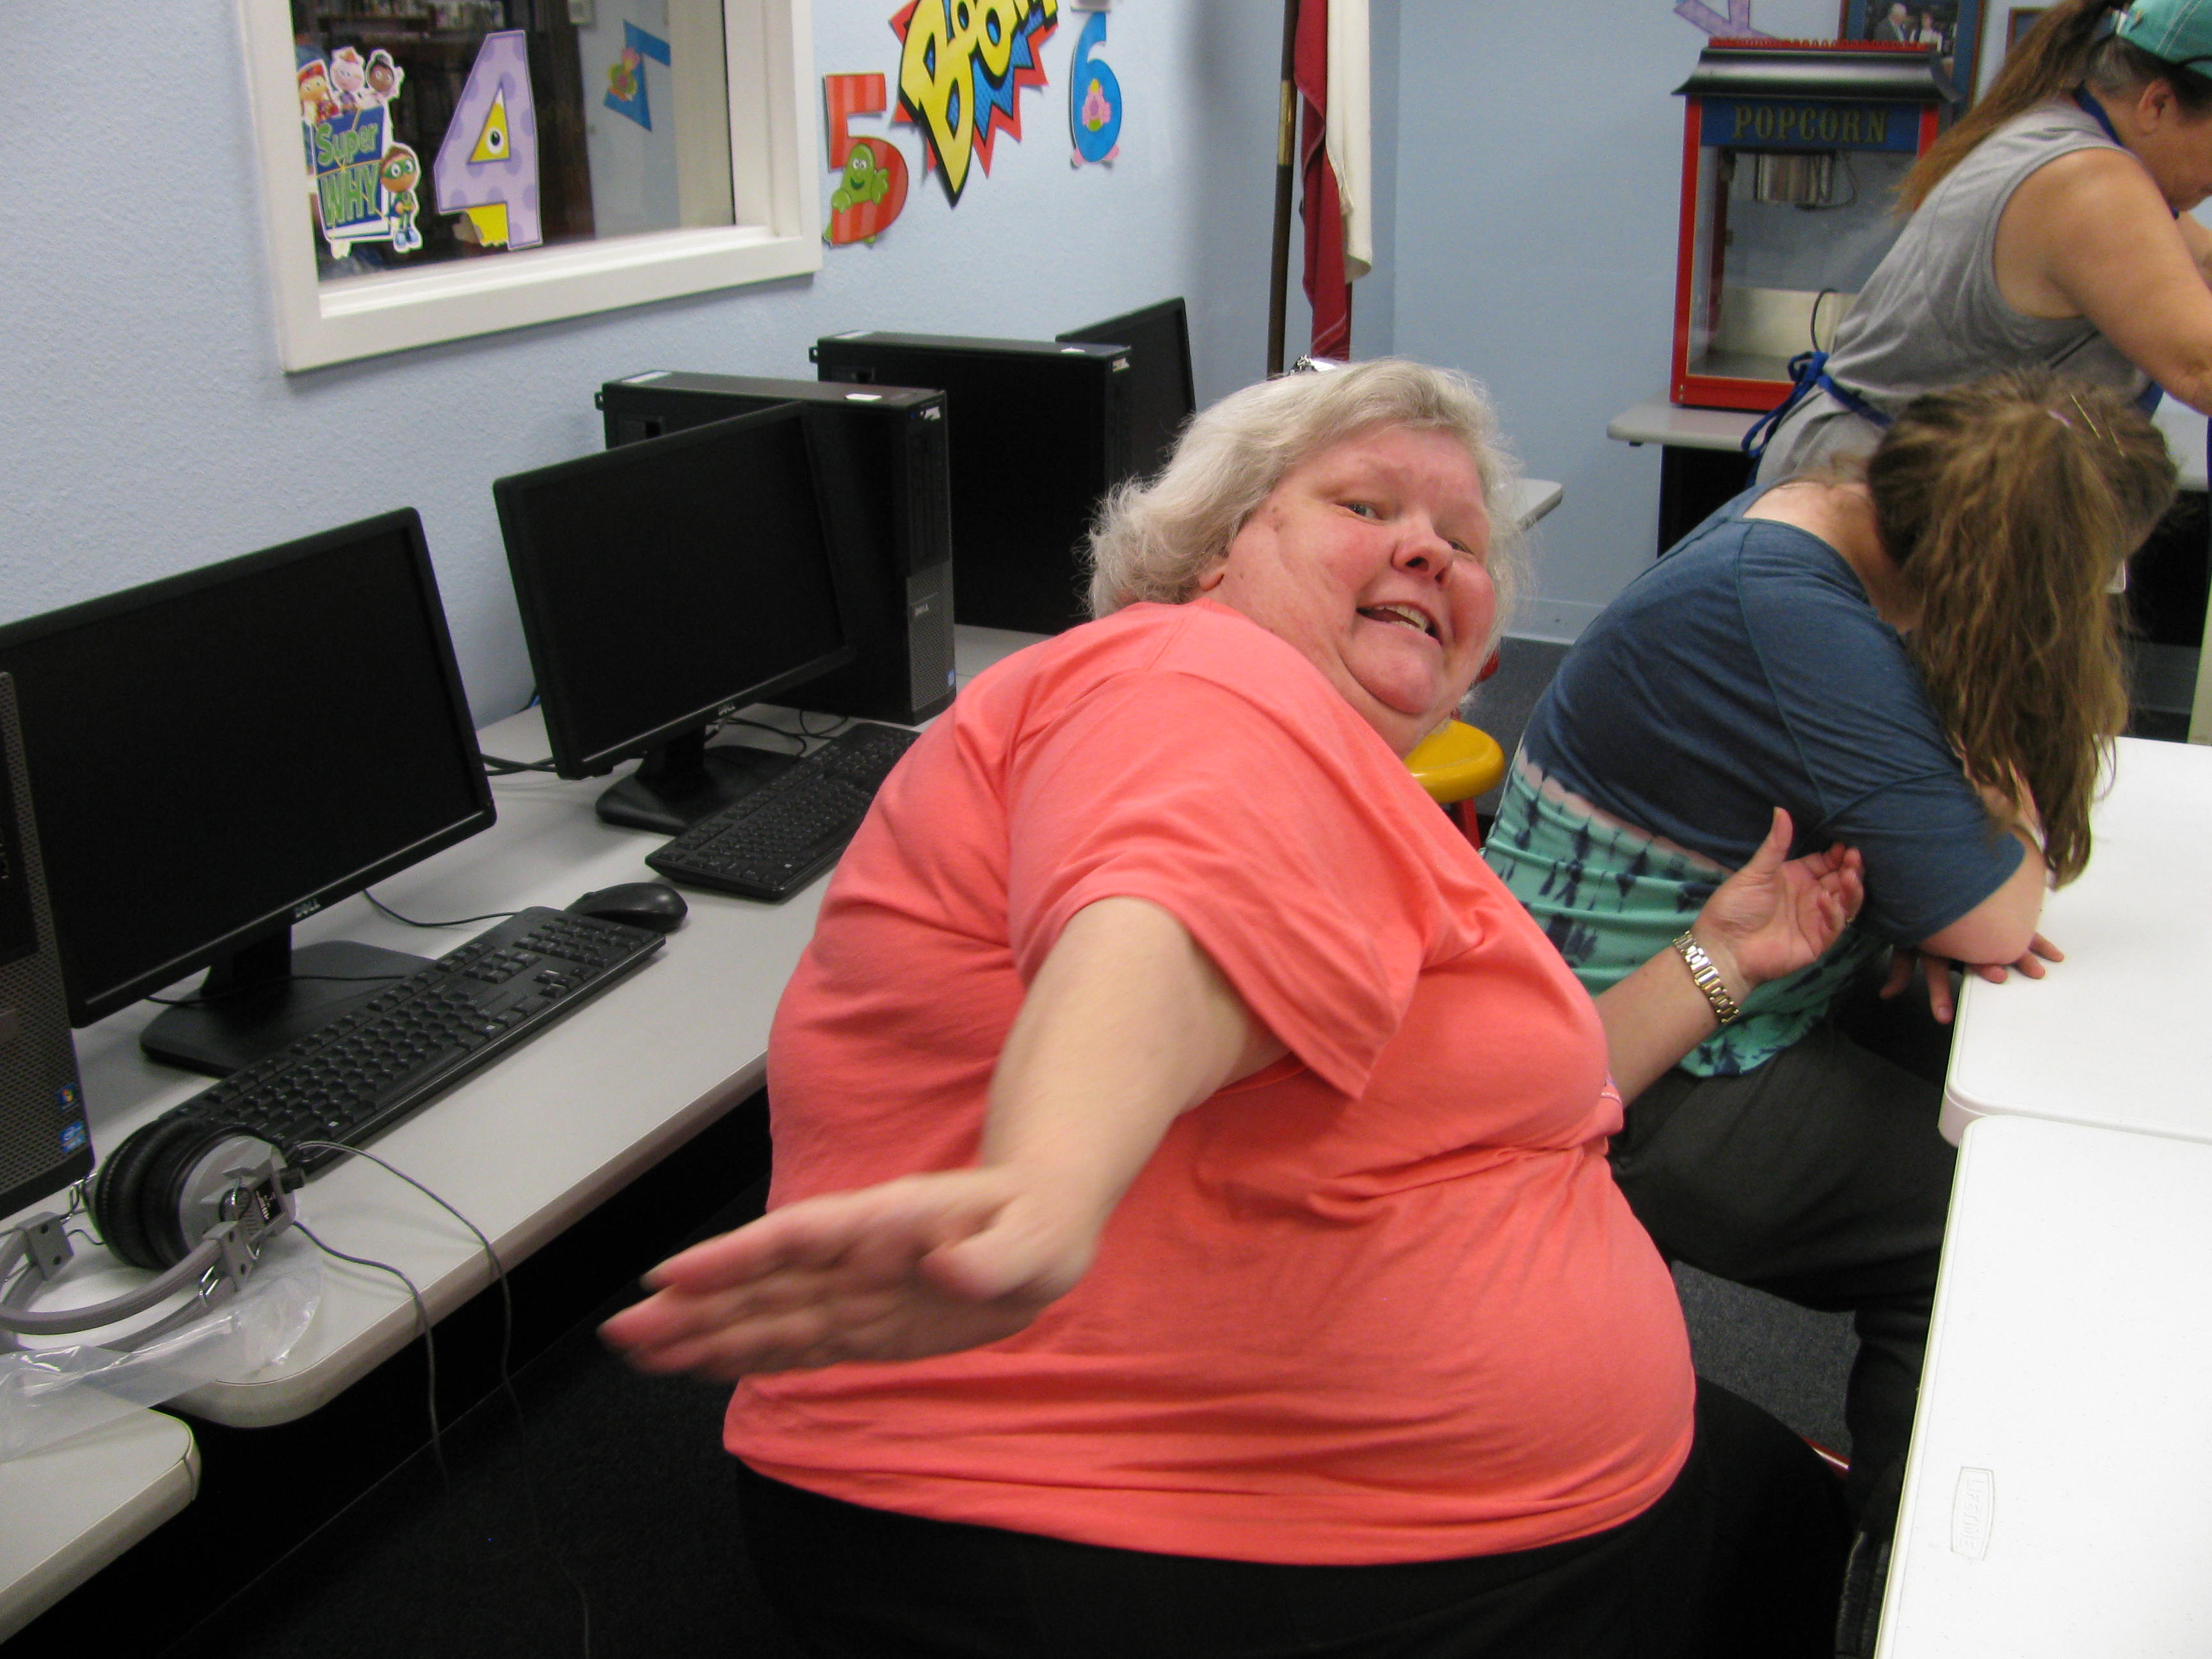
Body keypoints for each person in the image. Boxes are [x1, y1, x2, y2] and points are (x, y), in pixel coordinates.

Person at [602, 360, 1860, 1658]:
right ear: (1211, 551)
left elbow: (1511, 1098)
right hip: (1119, 1525)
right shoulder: (1188, 670)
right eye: (1365, 506)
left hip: (1321, 1504)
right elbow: (1182, 913)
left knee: (1786, 1513)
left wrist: (1721, 959)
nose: (1428, 548)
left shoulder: (1344, 783)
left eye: (1464, 539)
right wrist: (1047, 1185)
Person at [1486, 374, 2176, 1525]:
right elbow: (1998, 911)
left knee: (2006, 1072)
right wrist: (1963, 850)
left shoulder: (1814, 522)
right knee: (1984, 1220)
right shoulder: (1795, 611)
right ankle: (1903, 1569)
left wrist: (1932, 885)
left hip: (1712, 979)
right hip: (1637, 1059)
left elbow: (1948, 865)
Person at [1753, 0, 2212, 483]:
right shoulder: (2088, 180)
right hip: (1874, 486)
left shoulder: (2066, 134)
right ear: (2156, 105)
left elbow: (2202, 260)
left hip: (1909, 474)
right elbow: (2201, 369)